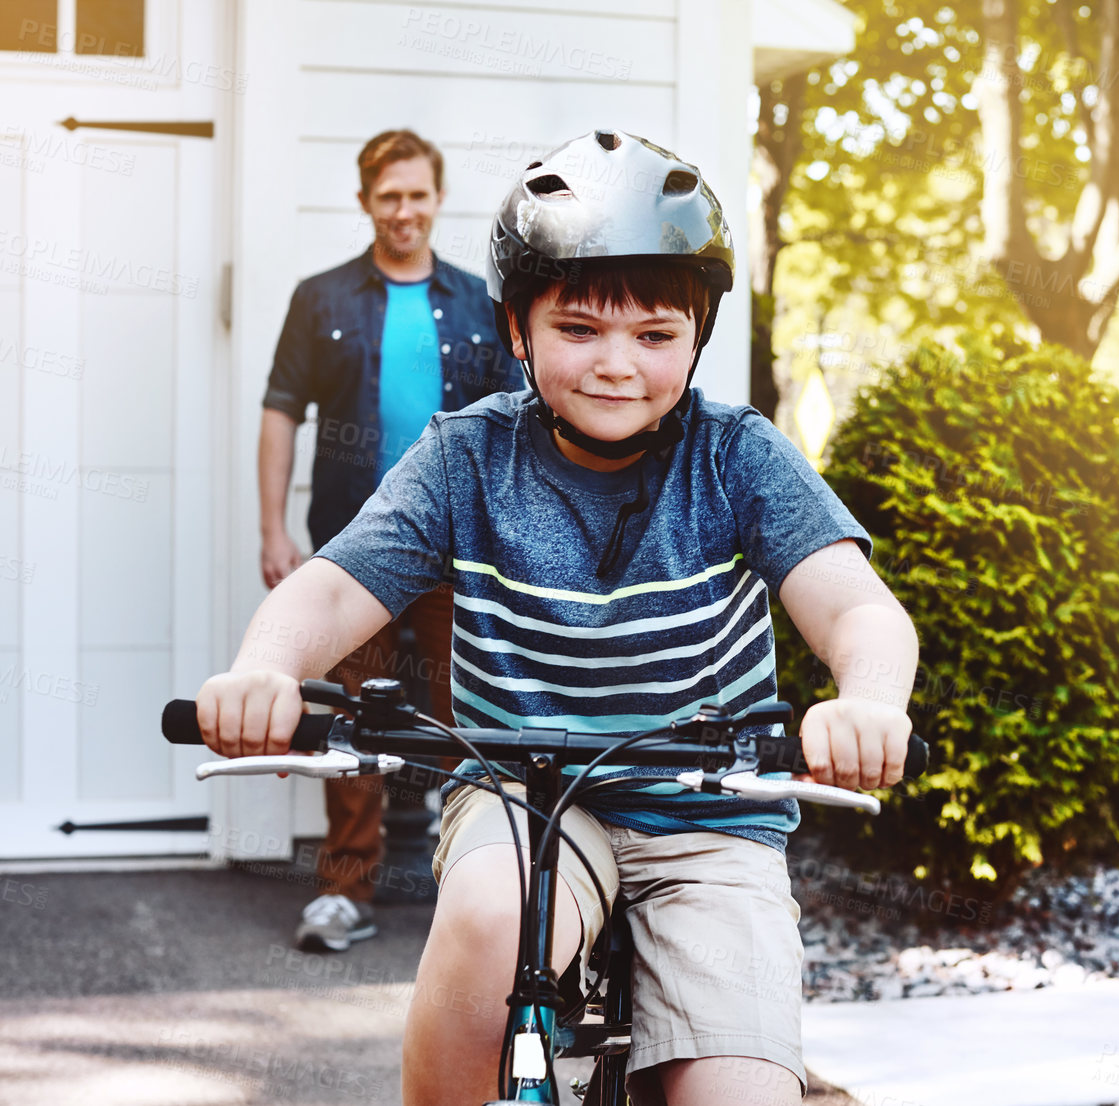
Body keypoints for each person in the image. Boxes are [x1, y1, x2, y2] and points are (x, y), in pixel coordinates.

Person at [196, 128, 918, 1105]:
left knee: (740, 1090)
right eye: (580, 327)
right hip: (525, 792)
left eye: (656, 335)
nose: (618, 363)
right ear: (516, 327)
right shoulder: (467, 455)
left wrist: (868, 698)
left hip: (708, 816)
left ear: (697, 337)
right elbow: (331, 587)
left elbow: (857, 606)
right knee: (494, 918)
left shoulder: (738, 455)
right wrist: (265, 666)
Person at [258, 129, 520, 952]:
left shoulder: (482, 302)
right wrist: (271, 527)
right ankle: (345, 892)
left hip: (459, 552)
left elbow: (517, 427)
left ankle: (472, 890)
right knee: (350, 725)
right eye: (389, 195)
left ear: (437, 199)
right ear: (366, 200)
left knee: (464, 716)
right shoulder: (320, 298)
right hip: (351, 553)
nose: (404, 211)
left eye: (417, 195)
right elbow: (279, 411)